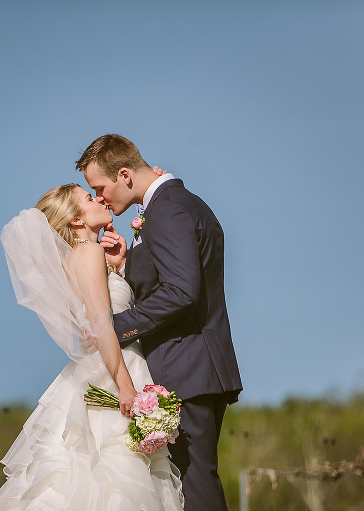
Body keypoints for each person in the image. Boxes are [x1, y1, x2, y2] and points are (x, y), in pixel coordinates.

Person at [0, 184, 183, 510]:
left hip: (95, 370)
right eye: (90, 199)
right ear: (76, 220)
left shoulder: (78, 259)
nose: (100, 200)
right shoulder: (88, 253)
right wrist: (126, 387)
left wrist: (119, 268)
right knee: (117, 473)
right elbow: (102, 324)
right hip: (117, 372)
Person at [77, 134, 243, 511]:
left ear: (124, 174)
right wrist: (128, 264)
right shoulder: (177, 204)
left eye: (100, 188)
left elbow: (182, 291)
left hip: (187, 367)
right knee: (188, 483)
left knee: (196, 483)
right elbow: (174, 278)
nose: (100, 198)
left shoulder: (168, 210)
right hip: (194, 366)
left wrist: (115, 328)